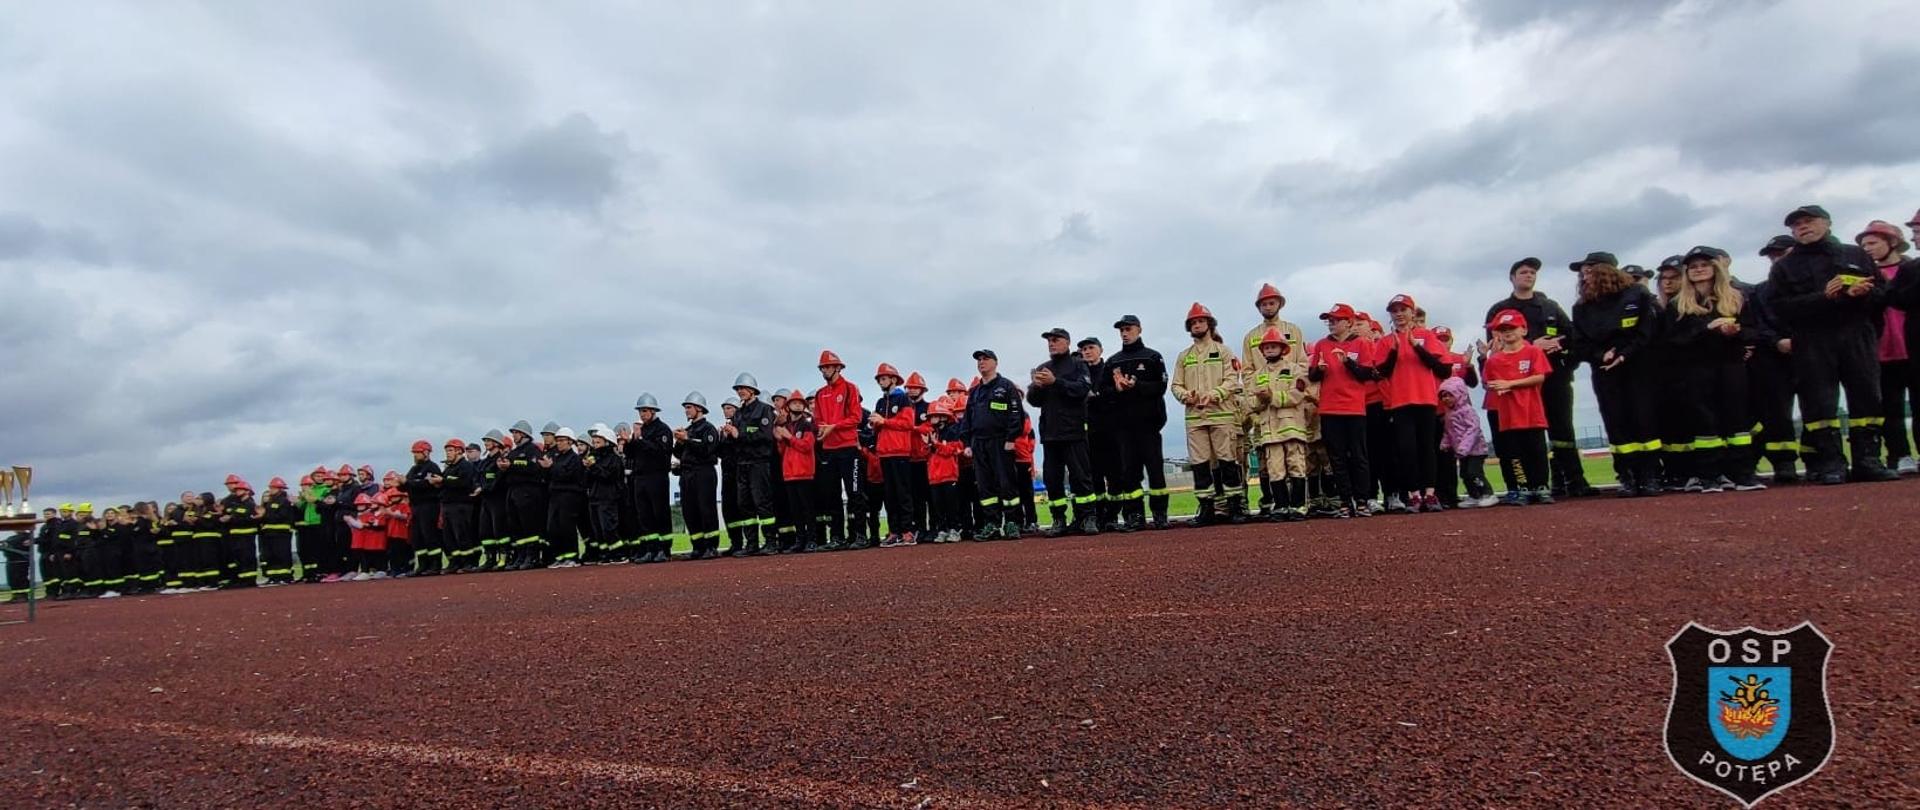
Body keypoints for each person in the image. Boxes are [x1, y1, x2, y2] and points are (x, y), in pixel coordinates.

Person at [1766, 205, 1898, 484]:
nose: (1803, 227)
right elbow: (1779, 308)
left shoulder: (1855, 254)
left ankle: (1868, 460)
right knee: (1818, 403)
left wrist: (1862, 294)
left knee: (1867, 396)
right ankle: (1830, 463)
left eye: (1809, 221)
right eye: (1797, 224)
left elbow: (1883, 295)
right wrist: (1824, 297)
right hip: (1812, 338)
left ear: (1827, 223)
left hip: (1856, 333)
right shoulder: (1785, 266)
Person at [1484, 257, 1595, 498]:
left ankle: (1572, 480)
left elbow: (1573, 334)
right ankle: (1524, 486)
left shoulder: (1549, 306)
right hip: (1515, 386)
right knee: (1521, 440)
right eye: (1523, 272)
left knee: (1562, 431)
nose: (1529, 275)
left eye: (1533, 272)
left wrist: (1560, 348)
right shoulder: (1499, 309)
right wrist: (1533, 345)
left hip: (1553, 377)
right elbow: (1495, 346)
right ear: (1512, 278)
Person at [1660, 246, 1766, 493]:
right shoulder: (1679, 304)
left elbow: (1754, 331)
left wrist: (1737, 332)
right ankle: (1709, 475)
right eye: (1693, 267)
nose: (1698, 270)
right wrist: (1707, 329)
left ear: (1714, 268)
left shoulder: (1736, 297)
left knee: (1737, 420)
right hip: (1696, 369)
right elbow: (1673, 340)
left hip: (1731, 365)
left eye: (1703, 265)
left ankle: (1742, 474)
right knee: (1704, 422)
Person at [1567, 251, 1663, 496]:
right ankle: (1627, 476)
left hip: (1637, 366)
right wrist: (1601, 355)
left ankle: (1650, 475)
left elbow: (1647, 332)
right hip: (1605, 371)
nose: (1584, 277)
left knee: (1644, 419)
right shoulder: (1581, 308)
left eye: (1588, 271)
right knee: (1616, 422)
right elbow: (1579, 343)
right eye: (1582, 273)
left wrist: (1625, 353)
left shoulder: (1638, 295)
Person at [1172, 302, 1246, 524]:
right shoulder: (1184, 356)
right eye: (1193, 323)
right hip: (1195, 418)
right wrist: (1187, 396)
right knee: (1200, 465)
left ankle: (1235, 508)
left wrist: (1215, 394)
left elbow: (1232, 380)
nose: (1197, 325)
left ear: (1209, 324)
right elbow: (1176, 385)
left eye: (1200, 321)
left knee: (1227, 462)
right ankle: (1206, 509)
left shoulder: (1224, 352)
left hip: (1221, 415)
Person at [1375, 294, 1449, 513]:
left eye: (1403, 310)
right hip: (1400, 402)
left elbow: (1443, 369)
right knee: (1407, 449)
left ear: (1412, 312)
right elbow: (1381, 372)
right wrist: (1394, 352)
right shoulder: (1386, 341)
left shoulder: (1426, 336)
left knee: (1427, 447)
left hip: (1426, 399)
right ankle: (1414, 495)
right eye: (1394, 311)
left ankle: (1430, 493)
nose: (1399, 314)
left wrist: (1417, 347)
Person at [1858, 220, 1920, 474]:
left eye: (1873, 243)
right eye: (1863, 245)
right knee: (1889, 408)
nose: (1868, 249)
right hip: (1881, 351)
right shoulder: (1862, 277)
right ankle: (1899, 455)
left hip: (1912, 347)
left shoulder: (1910, 269)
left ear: (1891, 242)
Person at [1241, 284, 1308, 516]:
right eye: (1263, 303)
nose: (1267, 307)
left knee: (1296, 464)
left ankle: (1299, 505)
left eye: (1271, 302)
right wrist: (1259, 398)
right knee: (1274, 467)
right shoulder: (1250, 337)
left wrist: (1275, 397)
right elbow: (1247, 378)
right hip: (1268, 426)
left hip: (1292, 425)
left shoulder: (1294, 332)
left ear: (1279, 304)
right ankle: (1279, 505)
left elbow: (1301, 381)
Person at [1310, 304, 1380, 517]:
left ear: (1348, 322)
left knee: (1359, 456)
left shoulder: (1361, 344)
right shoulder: (1322, 345)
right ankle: (1344, 501)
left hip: (1354, 408)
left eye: (1336, 319)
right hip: (1330, 408)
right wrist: (1319, 370)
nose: (1331, 323)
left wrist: (1348, 362)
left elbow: (1366, 375)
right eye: (1329, 320)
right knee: (1337, 458)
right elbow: (1313, 376)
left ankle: (1362, 500)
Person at [1102, 315, 1171, 530]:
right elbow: (1102, 392)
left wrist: (1137, 385)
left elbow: (1160, 386)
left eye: (1128, 329)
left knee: (1155, 471)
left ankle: (1160, 515)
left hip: (1149, 424)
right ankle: (1135, 516)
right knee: (1129, 474)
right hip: (1123, 427)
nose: (1124, 333)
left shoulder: (1152, 357)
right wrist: (1117, 389)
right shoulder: (1113, 361)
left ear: (1139, 330)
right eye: (1121, 330)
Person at [1028, 327, 1099, 536]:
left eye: (1056, 340)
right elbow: (1033, 401)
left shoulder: (1078, 365)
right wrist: (1036, 387)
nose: (1051, 343)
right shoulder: (1044, 367)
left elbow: (1081, 390)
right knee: (1052, 479)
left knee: (1081, 477)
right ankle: (1058, 519)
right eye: (1049, 340)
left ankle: (1087, 518)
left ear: (1067, 342)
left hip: (1073, 431)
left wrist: (1055, 382)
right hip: (1050, 434)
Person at [1482, 309, 1553, 504]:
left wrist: (1510, 384)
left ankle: (1541, 486)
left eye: (1511, 327)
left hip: (1532, 412)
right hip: (1509, 415)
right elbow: (1489, 383)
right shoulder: (1494, 360)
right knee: (1514, 454)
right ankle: (1523, 487)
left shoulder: (1533, 352)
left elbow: (1540, 376)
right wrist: (1498, 385)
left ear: (1523, 330)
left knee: (1537, 451)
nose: (1507, 332)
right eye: (1502, 329)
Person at [1748, 240, 1800, 483]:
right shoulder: (1759, 291)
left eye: (1782, 254)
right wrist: (1777, 340)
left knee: (1820, 409)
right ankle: (1784, 462)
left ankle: (1823, 460)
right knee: (1776, 412)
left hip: (1815, 352)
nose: (1777, 260)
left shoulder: (1813, 285)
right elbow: (1756, 324)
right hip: (1774, 357)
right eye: (1773, 257)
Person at [963, 349, 1027, 539]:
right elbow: (967, 419)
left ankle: (1012, 523)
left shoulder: (1006, 387)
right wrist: (967, 443)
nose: (981, 362)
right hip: (979, 444)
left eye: (985, 359)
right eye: (979, 360)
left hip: (1001, 442)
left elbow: (1016, 414)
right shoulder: (975, 392)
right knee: (985, 486)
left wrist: (1010, 438)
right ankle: (991, 524)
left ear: (995, 363)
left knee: (1006, 484)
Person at [811, 350, 867, 550]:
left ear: (837, 368)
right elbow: (817, 420)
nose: (824, 370)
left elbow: (856, 417)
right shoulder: (820, 394)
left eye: (827, 366)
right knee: (831, 494)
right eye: (822, 367)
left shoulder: (850, 388)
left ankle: (860, 535)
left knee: (855, 493)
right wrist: (821, 430)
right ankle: (837, 537)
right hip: (829, 449)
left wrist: (833, 427)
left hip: (848, 448)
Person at [728, 373, 779, 555]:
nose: (740, 391)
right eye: (738, 389)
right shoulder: (739, 413)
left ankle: (771, 542)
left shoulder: (764, 410)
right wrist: (730, 435)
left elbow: (766, 436)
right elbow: (736, 440)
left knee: (762, 502)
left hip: (759, 463)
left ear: (752, 390)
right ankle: (751, 544)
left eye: (743, 388)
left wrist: (739, 435)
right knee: (745, 504)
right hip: (742, 464)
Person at [871, 364, 920, 546]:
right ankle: (894, 531)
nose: (880, 382)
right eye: (879, 379)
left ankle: (907, 530)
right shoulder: (880, 402)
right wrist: (875, 424)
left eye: (883, 378)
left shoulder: (903, 399)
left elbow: (907, 423)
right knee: (889, 494)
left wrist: (884, 421)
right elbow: (880, 426)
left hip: (900, 451)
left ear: (893, 379)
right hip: (884, 453)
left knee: (903, 492)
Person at [627, 394, 676, 563]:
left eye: (645, 411)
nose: (642, 414)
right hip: (640, 477)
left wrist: (640, 439)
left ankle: (664, 549)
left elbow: (661, 451)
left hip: (657, 476)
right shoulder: (641, 431)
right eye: (640, 411)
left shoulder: (662, 430)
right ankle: (650, 549)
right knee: (644, 515)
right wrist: (631, 440)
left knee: (660, 513)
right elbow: (630, 454)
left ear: (654, 411)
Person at [1078, 337, 1120, 530]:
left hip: (1109, 429)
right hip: (1087, 432)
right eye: (1084, 349)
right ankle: (1099, 514)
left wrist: (1097, 397)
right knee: (1093, 476)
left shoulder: (1110, 369)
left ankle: (1113, 515)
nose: (1087, 352)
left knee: (1114, 474)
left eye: (1090, 348)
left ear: (1100, 350)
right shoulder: (1078, 373)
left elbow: (1117, 393)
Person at [674, 392, 722, 559]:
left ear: (699, 409)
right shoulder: (688, 430)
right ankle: (698, 546)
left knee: (706, 509)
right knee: (690, 510)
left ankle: (711, 546)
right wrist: (680, 442)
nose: (686, 411)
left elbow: (707, 450)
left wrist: (687, 439)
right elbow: (679, 453)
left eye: (689, 407)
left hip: (703, 472)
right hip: (687, 474)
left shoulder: (707, 429)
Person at [1438, 377, 1496, 508]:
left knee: (1474, 472)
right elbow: (1449, 432)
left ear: (1459, 394)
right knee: (1464, 474)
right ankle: (1474, 495)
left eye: (1450, 395)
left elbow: (1473, 429)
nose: (1446, 399)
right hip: (1462, 452)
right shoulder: (1449, 414)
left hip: (1476, 450)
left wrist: (1464, 446)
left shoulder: (1467, 410)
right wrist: (1445, 444)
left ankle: (1487, 493)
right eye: (1443, 396)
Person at [776, 389, 821, 552]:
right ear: (788, 406)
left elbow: (807, 446)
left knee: (808, 509)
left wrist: (789, 437)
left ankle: (812, 539)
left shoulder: (807, 425)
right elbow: (782, 451)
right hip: (789, 474)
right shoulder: (787, 425)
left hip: (804, 473)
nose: (798, 405)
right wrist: (781, 440)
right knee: (795, 510)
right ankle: (800, 539)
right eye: (794, 403)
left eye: (800, 403)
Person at [501, 420, 546, 568]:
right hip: (513, 491)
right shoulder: (513, 452)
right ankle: (521, 555)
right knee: (515, 525)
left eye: (516, 433)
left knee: (529, 525)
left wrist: (512, 465)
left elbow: (534, 467)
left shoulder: (533, 450)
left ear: (524, 434)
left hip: (529, 491)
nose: (513, 436)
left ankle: (532, 556)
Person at [541, 428, 587, 567]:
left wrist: (551, 468)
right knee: (553, 528)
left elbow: (567, 476)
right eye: (558, 440)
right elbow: (549, 477)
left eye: (562, 440)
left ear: (570, 442)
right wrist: (546, 469)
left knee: (567, 527)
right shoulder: (556, 458)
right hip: (555, 495)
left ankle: (572, 557)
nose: (559, 443)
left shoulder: (575, 459)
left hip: (569, 496)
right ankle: (560, 556)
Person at [436, 439, 482, 572]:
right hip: (448, 505)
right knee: (449, 537)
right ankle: (455, 562)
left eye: (450, 450)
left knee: (462, 535)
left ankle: (468, 562)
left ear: (459, 451)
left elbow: (464, 483)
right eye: (447, 451)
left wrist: (443, 481)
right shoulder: (449, 468)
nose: (447, 453)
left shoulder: (466, 466)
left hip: (461, 505)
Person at [402, 440, 444, 575]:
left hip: (429, 505)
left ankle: (435, 564)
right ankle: (422, 564)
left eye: (417, 453)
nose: (415, 456)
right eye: (414, 453)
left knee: (429, 535)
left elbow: (427, 484)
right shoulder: (414, 469)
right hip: (415, 506)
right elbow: (407, 486)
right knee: (417, 537)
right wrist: (401, 483)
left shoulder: (432, 467)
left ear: (426, 453)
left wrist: (409, 483)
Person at [925, 401, 965, 543]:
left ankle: (954, 529)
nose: (931, 420)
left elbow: (953, 450)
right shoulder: (932, 433)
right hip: (934, 476)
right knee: (938, 506)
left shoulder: (953, 431)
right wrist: (929, 446)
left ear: (942, 416)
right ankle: (942, 530)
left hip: (949, 474)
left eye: (933, 416)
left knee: (951, 505)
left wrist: (935, 444)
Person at [217, 476, 260, 588]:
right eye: (236, 490)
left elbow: (246, 517)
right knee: (238, 558)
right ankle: (240, 579)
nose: (237, 491)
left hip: (246, 535)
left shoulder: (250, 504)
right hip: (236, 535)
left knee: (247, 557)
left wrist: (231, 518)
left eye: (239, 489)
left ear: (247, 491)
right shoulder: (234, 503)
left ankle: (249, 580)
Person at [257, 477, 299, 584]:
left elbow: (282, 516)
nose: (270, 490)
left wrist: (265, 515)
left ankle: (285, 576)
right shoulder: (270, 502)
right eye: (270, 487)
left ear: (279, 489)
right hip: (269, 533)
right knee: (271, 556)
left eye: (272, 487)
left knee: (282, 554)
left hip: (281, 533)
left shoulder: (284, 501)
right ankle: (274, 577)